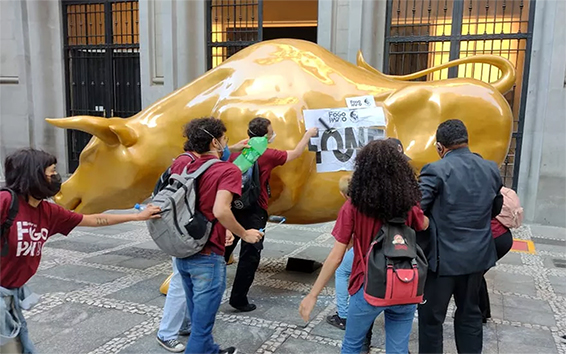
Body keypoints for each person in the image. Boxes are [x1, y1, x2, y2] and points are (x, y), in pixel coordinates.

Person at [0, 148, 161, 354]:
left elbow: (91, 219)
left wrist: (137, 216)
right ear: (34, 175)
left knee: (19, 345)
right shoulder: (6, 201)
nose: (56, 177)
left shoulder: (48, 211)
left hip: (12, 293)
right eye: (51, 172)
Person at [299, 140, 429, 354]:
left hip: (368, 285)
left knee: (352, 344)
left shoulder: (353, 206)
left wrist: (312, 295)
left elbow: (336, 256)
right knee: (398, 349)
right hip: (405, 283)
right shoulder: (408, 203)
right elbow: (422, 224)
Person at [173, 117, 264, 354]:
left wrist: (229, 150)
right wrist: (244, 233)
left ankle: (210, 350)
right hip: (208, 255)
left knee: (197, 315)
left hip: (183, 248)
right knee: (202, 326)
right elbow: (221, 209)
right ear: (215, 141)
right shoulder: (228, 170)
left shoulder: (182, 163)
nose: (227, 144)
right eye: (225, 140)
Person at [417, 119, 503, 354]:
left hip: (441, 260)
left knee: (432, 319)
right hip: (476, 257)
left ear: (439, 146)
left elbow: (416, 212)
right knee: (470, 314)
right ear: (466, 141)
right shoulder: (491, 168)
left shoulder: (435, 169)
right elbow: (495, 208)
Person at [224, 117, 318, 312]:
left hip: (230, 206)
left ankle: (207, 292)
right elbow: (296, 153)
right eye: (271, 132)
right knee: (250, 255)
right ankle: (238, 299)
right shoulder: (268, 154)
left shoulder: (236, 150)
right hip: (254, 210)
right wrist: (308, 135)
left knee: (222, 250)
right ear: (266, 136)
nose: (272, 134)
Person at [478, 216, 513, 323]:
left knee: (473, 275)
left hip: (494, 237)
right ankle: (481, 312)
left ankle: (479, 313)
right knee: (475, 274)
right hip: (499, 235)